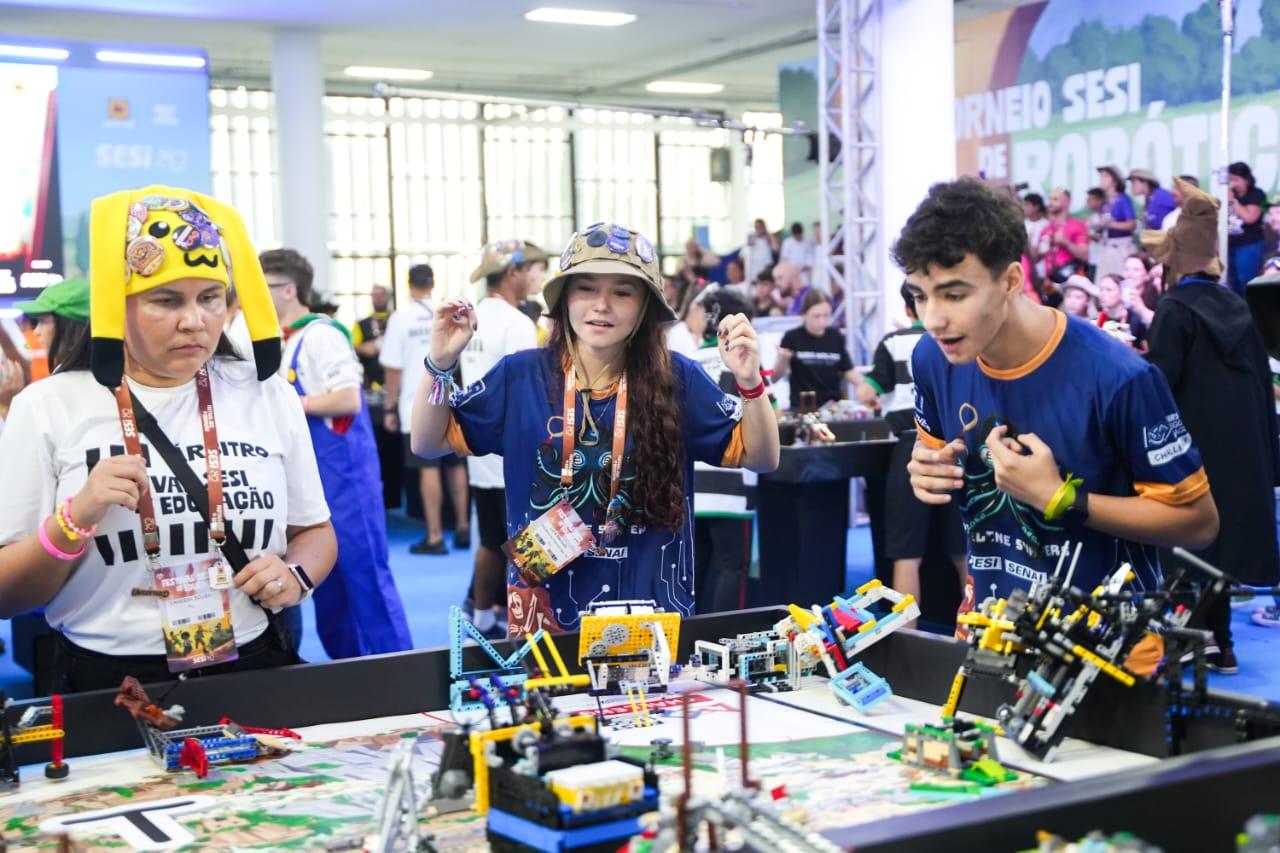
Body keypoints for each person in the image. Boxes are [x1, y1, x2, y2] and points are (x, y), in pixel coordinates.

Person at [0, 185, 338, 692]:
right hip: (107, 678)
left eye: (209, 298)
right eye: (165, 300)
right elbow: (8, 595)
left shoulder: (266, 395)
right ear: (117, 304)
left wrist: (296, 576)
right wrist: (75, 519)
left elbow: (316, 532)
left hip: (252, 661)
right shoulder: (47, 407)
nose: (194, 321)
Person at [410, 222, 780, 634]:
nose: (601, 305)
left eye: (622, 292)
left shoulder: (679, 379)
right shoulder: (520, 377)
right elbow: (427, 442)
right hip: (542, 616)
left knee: (647, 701)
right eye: (586, 288)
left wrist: (751, 383)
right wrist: (439, 363)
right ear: (565, 298)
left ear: (644, 307)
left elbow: (762, 457)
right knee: (547, 700)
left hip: (650, 612)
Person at [899, 178, 1218, 627]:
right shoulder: (932, 358)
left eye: (954, 294)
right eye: (919, 295)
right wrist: (927, 469)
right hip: (988, 634)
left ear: (1011, 280)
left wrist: (1061, 497)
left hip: (1105, 650)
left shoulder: (1118, 376)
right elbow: (930, 452)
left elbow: (1199, 521)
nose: (932, 318)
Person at [1145, 176, 1280, 674]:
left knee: (1181, 546)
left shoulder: (1174, 310)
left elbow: (1158, 386)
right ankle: (1220, 642)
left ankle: (1188, 641)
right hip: (1243, 458)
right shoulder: (1242, 307)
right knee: (1218, 547)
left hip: (1189, 454)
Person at [263, 247, 412, 658]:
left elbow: (348, 399)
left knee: (365, 576)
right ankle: (346, 670)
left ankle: (399, 671)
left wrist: (293, 404)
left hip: (346, 473)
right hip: (310, 473)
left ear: (288, 289)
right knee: (322, 580)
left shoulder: (322, 335)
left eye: (264, 287)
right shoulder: (281, 340)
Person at [861, 284, 967, 626]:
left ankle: (909, 640)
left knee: (906, 552)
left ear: (907, 308)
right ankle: (977, 632)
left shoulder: (893, 342)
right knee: (964, 548)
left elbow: (866, 392)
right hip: (956, 444)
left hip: (911, 444)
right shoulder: (956, 340)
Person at [459, 241, 543, 639]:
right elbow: (526, 391)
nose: (537, 278)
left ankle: (481, 612)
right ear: (513, 272)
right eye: (534, 269)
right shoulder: (517, 324)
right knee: (525, 536)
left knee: (490, 536)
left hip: (478, 444)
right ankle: (518, 613)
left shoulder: (473, 318)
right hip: (513, 448)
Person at [381, 263, 471, 555]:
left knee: (427, 466)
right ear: (432, 283)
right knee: (456, 464)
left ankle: (434, 535)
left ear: (409, 285)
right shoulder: (449, 311)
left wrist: (389, 407)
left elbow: (393, 369)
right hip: (452, 398)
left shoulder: (400, 318)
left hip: (416, 404)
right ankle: (462, 527)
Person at [682, 286, 759, 613]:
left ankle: (686, 645)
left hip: (689, 485)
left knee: (689, 573)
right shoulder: (745, 362)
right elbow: (768, 413)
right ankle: (729, 642)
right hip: (732, 483)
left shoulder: (687, 364)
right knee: (732, 568)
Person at [773, 289, 863, 411]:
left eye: (826, 315)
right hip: (802, 408)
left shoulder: (836, 337)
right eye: (816, 316)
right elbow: (775, 377)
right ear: (804, 314)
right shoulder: (792, 337)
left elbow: (848, 370)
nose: (822, 321)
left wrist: (868, 385)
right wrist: (784, 358)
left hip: (832, 408)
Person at [1033, 187, 1089, 288]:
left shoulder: (1078, 226)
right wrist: (1036, 249)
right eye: (1049, 199)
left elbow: (1085, 255)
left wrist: (1065, 242)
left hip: (1072, 284)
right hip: (1050, 285)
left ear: (1067, 202)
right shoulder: (1046, 230)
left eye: (1055, 199)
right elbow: (1036, 259)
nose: (1050, 203)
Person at [1228, 161, 1267, 296]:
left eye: (1236, 179)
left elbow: (1250, 217)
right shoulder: (1228, 194)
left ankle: (1253, 311)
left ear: (1246, 179)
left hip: (1249, 244)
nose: (1233, 184)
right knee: (1234, 282)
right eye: (1230, 180)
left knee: (1247, 279)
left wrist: (1233, 202)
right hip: (1230, 244)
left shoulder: (1256, 194)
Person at [1095, 165, 1136, 280]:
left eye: (1105, 176)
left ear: (1114, 180)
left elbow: (1131, 225)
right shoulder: (1105, 202)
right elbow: (1106, 220)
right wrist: (1099, 227)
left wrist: (1109, 224)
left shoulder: (1123, 200)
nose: (1101, 180)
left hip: (1121, 248)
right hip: (1107, 247)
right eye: (1101, 176)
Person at [1096, 274, 1148, 350]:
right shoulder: (1099, 318)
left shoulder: (1135, 320)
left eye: (1109, 290)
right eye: (1101, 289)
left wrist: (1131, 350)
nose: (1103, 294)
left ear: (1122, 293)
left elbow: (1147, 352)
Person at [779, 222, 815, 288]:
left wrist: (802, 269)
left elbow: (810, 261)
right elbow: (784, 260)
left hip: (804, 273)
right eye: (795, 235)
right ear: (793, 234)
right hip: (791, 273)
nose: (797, 237)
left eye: (798, 235)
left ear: (802, 233)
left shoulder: (808, 243)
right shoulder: (787, 243)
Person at [744, 218, 779, 284]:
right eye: (756, 227)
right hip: (754, 272)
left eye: (760, 226)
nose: (758, 228)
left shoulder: (768, 238)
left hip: (766, 269)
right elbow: (749, 244)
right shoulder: (752, 237)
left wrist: (768, 234)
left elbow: (776, 248)